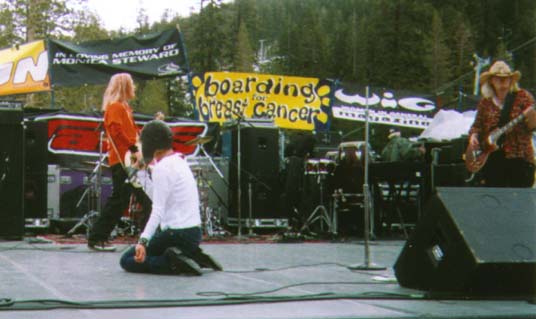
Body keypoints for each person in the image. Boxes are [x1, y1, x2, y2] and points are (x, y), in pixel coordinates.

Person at [120, 120, 222, 275]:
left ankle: (175, 263)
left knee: (127, 260)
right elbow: (158, 198)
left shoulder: (162, 168)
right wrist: (141, 171)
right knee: (152, 250)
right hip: (193, 234)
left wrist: (143, 241)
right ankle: (192, 254)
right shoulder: (179, 160)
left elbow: (157, 210)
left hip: (177, 234)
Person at [87, 73, 147, 251]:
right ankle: (97, 237)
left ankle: (146, 238)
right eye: (131, 84)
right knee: (122, 199)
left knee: (135, 199)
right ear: (124, 87)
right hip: (123, 160)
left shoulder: (125, 108)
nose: (134, 88)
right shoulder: (115, 107)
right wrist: (133, 148)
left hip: (129, 159)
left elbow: (131, 132)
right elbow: (116, 132)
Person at [468, 60, 536, 187]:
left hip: (519, 158)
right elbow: (477, 126)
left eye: (506, 78)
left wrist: (532, 117)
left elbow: (532, 127)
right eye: (498, 78)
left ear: (511, 80)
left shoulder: (523, 97)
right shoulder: (485, 103)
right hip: (493, 160)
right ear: (491, 81)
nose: (503, 81)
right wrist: (473, 137)